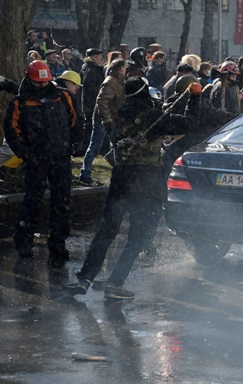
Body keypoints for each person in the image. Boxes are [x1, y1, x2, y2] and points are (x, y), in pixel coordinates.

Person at [63, 77, 201, 300]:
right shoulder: (153, 118)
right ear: (146, 93)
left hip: (121, 178)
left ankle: (84, 278)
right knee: (138, 236)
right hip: (147, 182)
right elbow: (189, 123)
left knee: (106, 231)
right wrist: (195, 97)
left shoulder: (118, 116)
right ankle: (115, 284)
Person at [3, 61, 81, 266]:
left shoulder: (63, 96)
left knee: (61, 203)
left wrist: (75, 144)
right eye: (39, 83)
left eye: (45, 82)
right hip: (37, 161)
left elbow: (76, 120)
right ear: (30, 80)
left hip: (60, 158)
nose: (42, 86)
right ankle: (24, 242)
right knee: (32, 202)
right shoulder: (20, 103)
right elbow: (12, 132)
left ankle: (58, 243)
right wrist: (26, 155)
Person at [80, 59, 126, 183]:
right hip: (103, 120)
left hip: (111, 118)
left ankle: (111, 158)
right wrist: (106, 120)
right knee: (95, 146)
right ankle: (85, 172)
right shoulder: (111, 82)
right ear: (121, 69)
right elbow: (102, 101)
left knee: (118, 144)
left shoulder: (118, 82)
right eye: (125, 68)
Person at [80, 48, 105, 151]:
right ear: (94, 57)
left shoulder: (92, 68)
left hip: (92, 102)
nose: (101, 58)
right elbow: (89, 88)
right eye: (99, 56)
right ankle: (88, 148)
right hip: (91, 103)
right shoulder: (90, 69)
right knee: (91, 126)